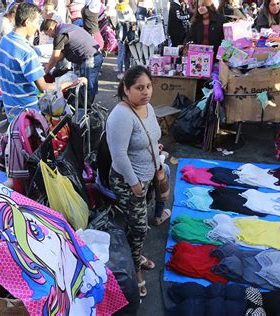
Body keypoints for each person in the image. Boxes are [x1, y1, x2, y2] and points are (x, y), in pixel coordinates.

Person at [106, 65, 162, 298]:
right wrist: (134, 183)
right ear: (126, 90)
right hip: (128, 181)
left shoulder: (147, 107)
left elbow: (153, 137)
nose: (146, 92)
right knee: (138, 227)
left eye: (148, 86)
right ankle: (135, 270)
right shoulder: (121, 114)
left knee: (137, 226)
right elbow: (118, 154)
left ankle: (135, 257)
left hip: (146, 177)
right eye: (139, 88)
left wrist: (156, 154)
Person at [0, 2, 85, 121]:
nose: (37, 27)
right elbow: (44, 87)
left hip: (10, 108)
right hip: (27, 113)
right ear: (27, 21)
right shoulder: (26, 52)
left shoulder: (4, 41)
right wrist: (71, 83)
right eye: (36, 22)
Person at [41, 18, 103, 104]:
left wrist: (45, 72)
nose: (49, 36)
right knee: (89, 85)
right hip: (93, 56)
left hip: (90, 58)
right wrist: (49, 66)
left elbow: (55, 56)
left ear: (50, 29)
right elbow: (60, 55)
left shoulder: (60, 34)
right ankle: (88, 105)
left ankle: (86, 109)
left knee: (86, 86)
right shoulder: (66, 27)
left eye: (47, 34)